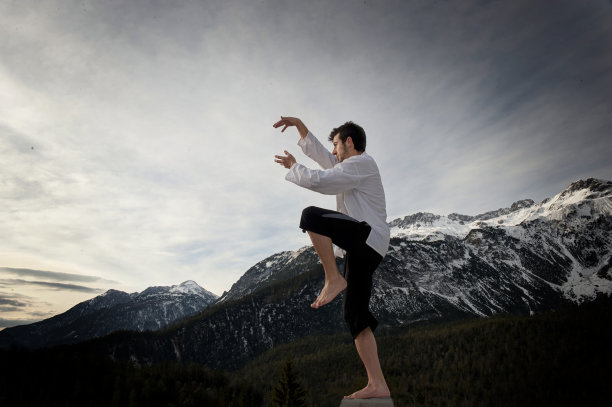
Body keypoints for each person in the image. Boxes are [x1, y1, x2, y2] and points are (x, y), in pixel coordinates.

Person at [273, 116, 391, 400]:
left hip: (367, 237)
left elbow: (322, 180)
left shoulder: (362, 164)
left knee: (311, 216)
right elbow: (325, 158)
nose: (334, 151)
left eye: (337, 144)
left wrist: (294, 167)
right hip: (365, 248)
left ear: (350, 142)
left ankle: (333, 277)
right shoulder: (350, 167)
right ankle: (377, 383)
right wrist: (300, 127)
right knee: (355, 316)